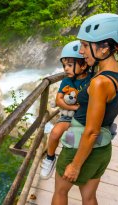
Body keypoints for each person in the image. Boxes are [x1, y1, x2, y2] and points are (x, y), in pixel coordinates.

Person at [52, 13, 118, 205]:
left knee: (60, 193)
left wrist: (75, 165)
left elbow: (91, 130)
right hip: (103, 150)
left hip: (80, 148)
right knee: (89, 197)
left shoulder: (99, 82)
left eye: (86, 45)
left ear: (104, 48)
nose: (81, 51)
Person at [40, 40, 92, 179]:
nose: (66, 69)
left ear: (84, 64)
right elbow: (58, 100)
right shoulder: (66, 81)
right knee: (55, 132)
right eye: (64, 65)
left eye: (70, 65)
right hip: (69, 116)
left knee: (80, 138)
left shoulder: (92, 79)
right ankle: (50, 158)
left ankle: (79, 162)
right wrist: (74, 107)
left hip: (86, 117)